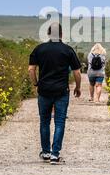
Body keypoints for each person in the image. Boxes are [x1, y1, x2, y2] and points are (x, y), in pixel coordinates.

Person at [28, 22, 81, 165]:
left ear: (49, 34)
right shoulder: (68, 50)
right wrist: (78, 87)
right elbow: (77, 72)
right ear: (62, 34)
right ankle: (55, 154)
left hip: (44, 91)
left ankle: (45, 152)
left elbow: (31, 69)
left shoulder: (39, 49)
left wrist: (36, 83)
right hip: (61, 91)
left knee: (44, 121)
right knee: (59, 122)